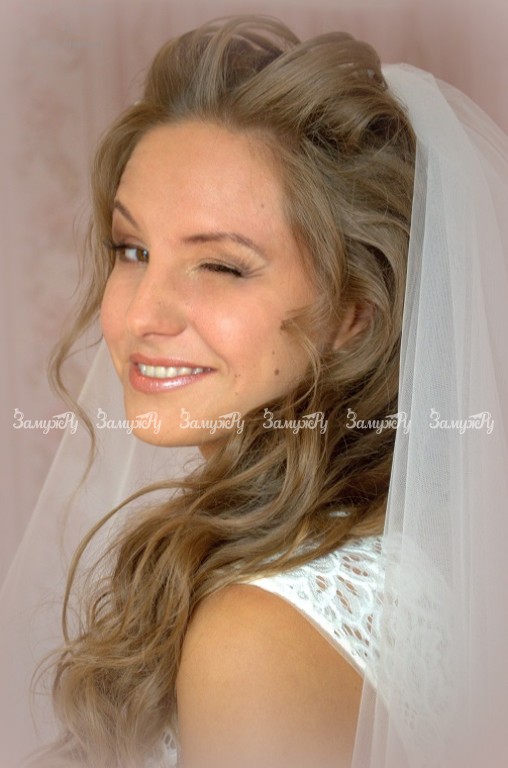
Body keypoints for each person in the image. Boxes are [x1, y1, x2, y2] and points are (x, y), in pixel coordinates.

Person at [1, 14, 507, 768]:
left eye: (221, 266)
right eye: (132, 250)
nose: (140, 316)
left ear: (353, 314)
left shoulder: (255, 638)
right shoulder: (394, 556)